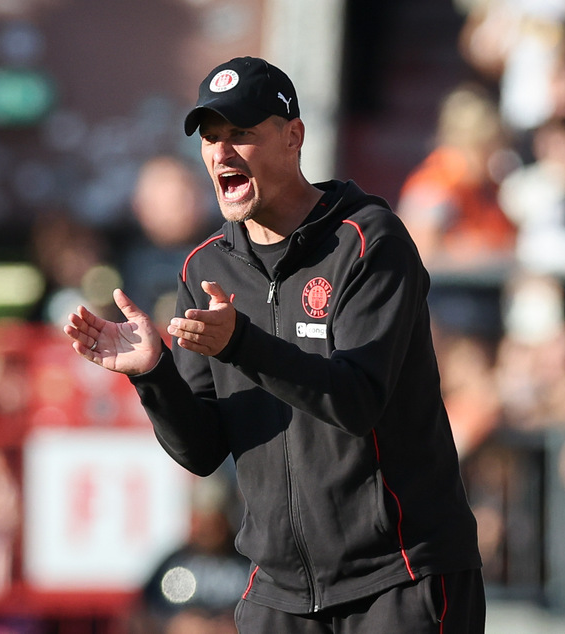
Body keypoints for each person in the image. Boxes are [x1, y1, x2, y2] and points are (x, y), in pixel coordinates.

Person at [63, 56, 486, 633]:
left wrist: (242, 344)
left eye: (242, 134)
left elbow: (356, 401)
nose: (222, 152)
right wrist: (154, 373)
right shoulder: (204, 266)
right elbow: (203, 450)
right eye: (211, 138)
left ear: (294, 138)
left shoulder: (368, 240)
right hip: (280, 596)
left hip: (400, 578)